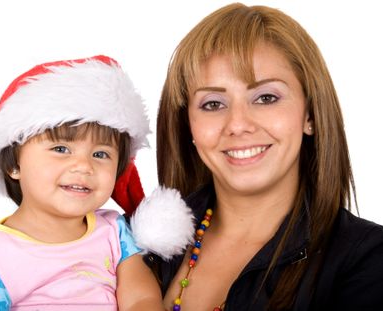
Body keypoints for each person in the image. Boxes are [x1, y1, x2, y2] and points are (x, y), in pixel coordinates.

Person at [152, 3, 383, 311]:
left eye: (266, 97)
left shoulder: (367, 260)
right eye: (212, 104)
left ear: (310, 115)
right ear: (188, 124)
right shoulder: (130, 244)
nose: (237, 124)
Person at [0, 55, 194, 311]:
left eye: (100, 154)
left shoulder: (113, 230)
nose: (84, 166)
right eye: (61, 148)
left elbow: (141, 298)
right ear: (14, 165)